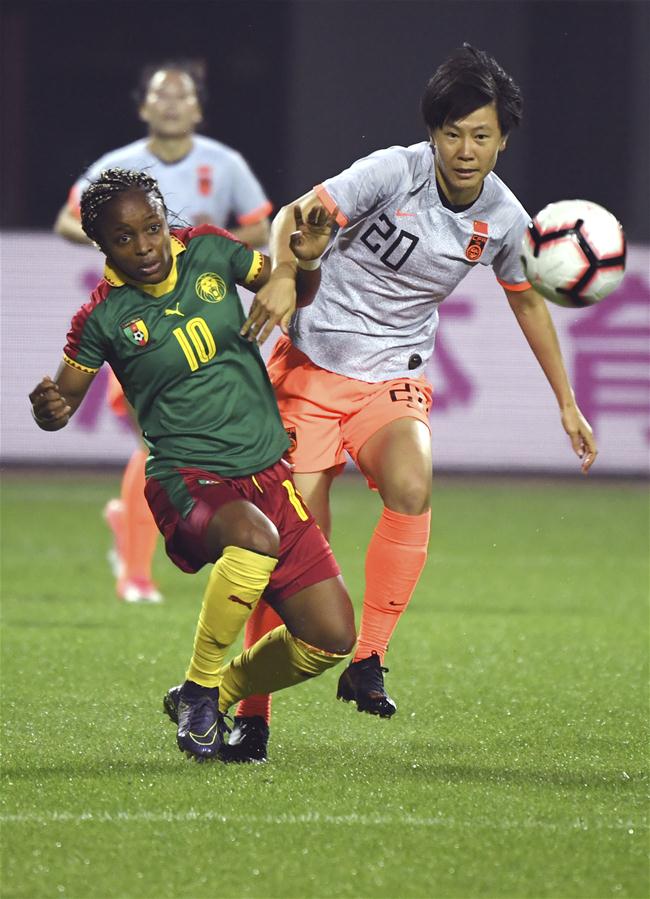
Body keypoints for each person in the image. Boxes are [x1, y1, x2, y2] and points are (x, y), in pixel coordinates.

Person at [229, 43, 599, 761]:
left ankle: (367, 660)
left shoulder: (502, 218)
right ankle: (251, 714)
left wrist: (567, 401)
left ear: (503, 139)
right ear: (434, 133)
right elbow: (294, 216)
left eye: (481, 135)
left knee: (412, 480)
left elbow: (527, 306)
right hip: (309, 368)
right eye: (453, 133)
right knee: (293, 551)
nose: (466, 150)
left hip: (391, 379)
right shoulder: (390, 172)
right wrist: (282, 271)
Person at [29, 169, 356, 762]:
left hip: (268, 473)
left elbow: (291, 291)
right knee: (254, 538)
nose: (145, 246)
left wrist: (302, 264)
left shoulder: (208, 248)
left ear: (165, 221)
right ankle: (204, 689)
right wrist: (51, 409)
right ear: (102, 246)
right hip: (189, 481)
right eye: (124, 238)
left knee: (332, 638)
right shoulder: (101, 318)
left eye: (151, 228)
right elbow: (63, 402)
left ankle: (207, 693)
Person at [54, 60, 272, 604]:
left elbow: (262, 224)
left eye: (182, 96)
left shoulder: (225, 164)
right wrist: (126, 245)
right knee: (153, 443)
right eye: (161, 96)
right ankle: (135, 572)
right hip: (140, 326)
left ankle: (136, 526)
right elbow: (67, 220)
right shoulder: (120, 167)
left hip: (202, 319)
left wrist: (196, 243)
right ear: (144, 106)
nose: (172, 105)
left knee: (180, 450)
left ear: (198, 107)